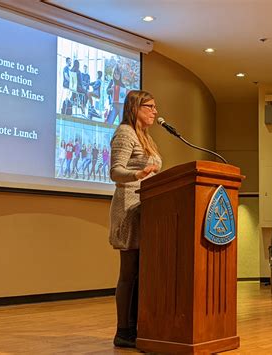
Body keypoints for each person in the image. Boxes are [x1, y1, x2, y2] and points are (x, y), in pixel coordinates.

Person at [109, 90, 161, 348]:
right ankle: (124, 331)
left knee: (143, 272)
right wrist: (139, 173)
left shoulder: (146, 137)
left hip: (146, 207)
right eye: (150, 106)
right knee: (129, 272)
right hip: (129, 207)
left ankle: (139, 327)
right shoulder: (125, 133)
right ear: (135, 107)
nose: (155, 111)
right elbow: (115, 172)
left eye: (155, 107)